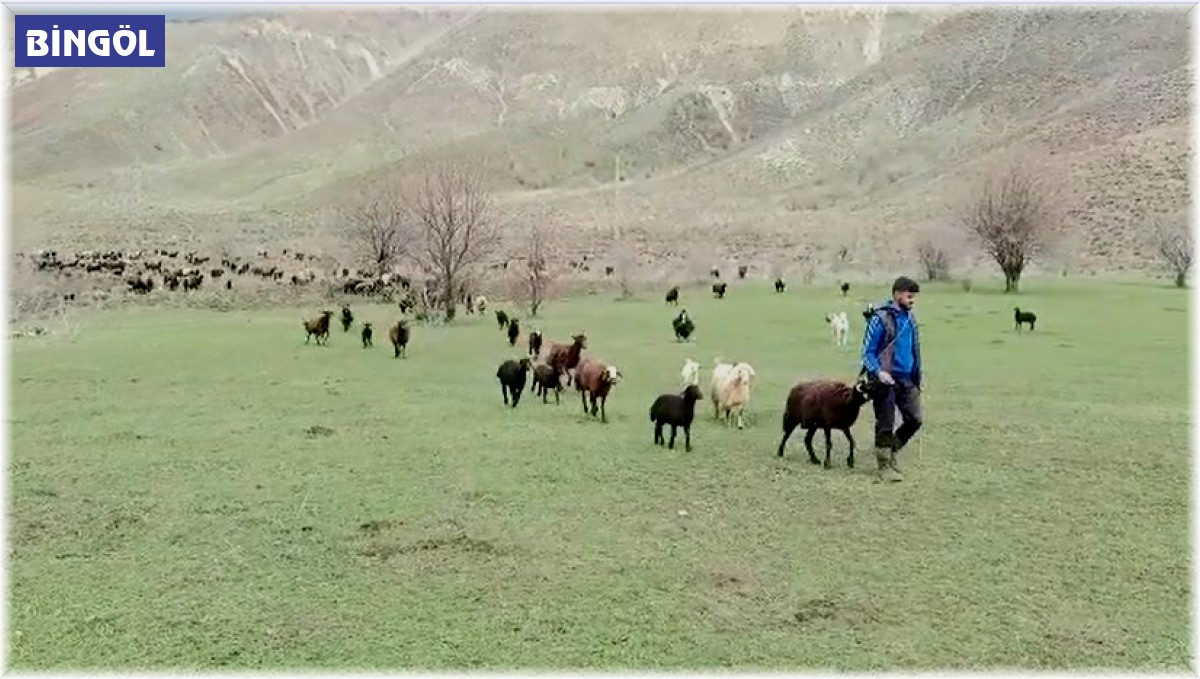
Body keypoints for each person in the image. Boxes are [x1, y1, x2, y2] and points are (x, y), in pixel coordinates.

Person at [860, 276, 924, 483]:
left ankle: (891, 449)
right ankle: (884, 466)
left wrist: (917, 375)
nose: (912, 300)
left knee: (915, 419)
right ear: (897, 294)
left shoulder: (911, 319)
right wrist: (879, 372)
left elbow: (914, 350)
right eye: (909, 296)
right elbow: (867, 353)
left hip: (907, 378)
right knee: (885, 422)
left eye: (914, 297)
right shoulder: (880, 318)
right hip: (885, 379)